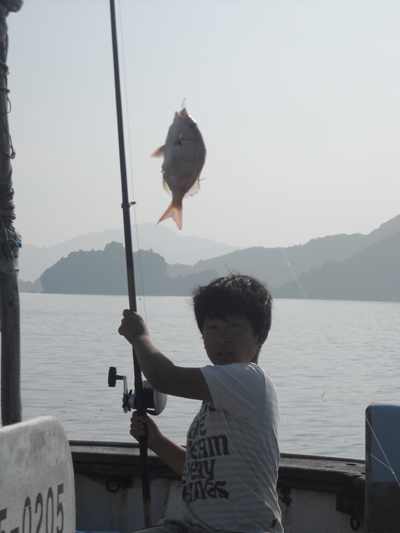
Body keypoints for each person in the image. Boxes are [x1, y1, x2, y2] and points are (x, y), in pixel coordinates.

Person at [118, 274, 283, 533]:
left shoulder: (251, 380)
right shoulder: (217, 398)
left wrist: (139, 336)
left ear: (260, 335)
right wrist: (157, 440)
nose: (222, 337)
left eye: (233, 326)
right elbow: (197, 472)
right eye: (212, 327)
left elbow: (164, 378)